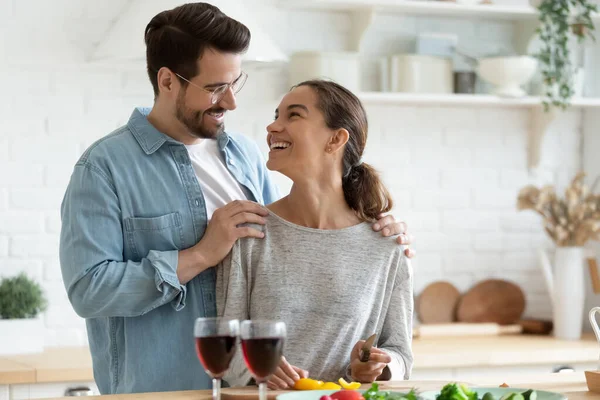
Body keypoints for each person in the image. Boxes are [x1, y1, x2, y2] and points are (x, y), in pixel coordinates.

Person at [59, 2, 414, 395]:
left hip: (245, 392)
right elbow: (88, 290)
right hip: (161, 390)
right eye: (214, 88)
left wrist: (375, 231)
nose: (230, 102)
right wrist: (199, 255)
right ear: (167, 81)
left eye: (234, 83)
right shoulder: (104, 168)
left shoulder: (243, 155)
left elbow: (290, 247)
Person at [217, 80, 413, 389]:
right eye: (276, 115)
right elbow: (225, 347)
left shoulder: (386, 245)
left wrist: (378, 366)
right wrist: (258, 369)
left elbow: (401, 355)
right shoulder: (251, 232)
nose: (273, 126)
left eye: (293, 115)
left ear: (336, 139)